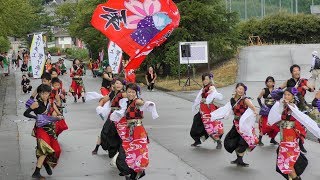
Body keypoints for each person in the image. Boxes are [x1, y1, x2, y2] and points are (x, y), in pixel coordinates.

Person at [267, 87, 320, 180]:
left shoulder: (292, 107)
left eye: (289, 95)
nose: (286, 96)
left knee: (287, 162)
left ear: (292, 97)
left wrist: (288, 104)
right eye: (285, 94)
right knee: (286, 162)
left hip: (290, 139)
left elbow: (296, 114)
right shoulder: (285, 106)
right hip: (284, 137)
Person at [114, 83, 158, 180]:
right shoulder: (128, 103)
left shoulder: (136, 101)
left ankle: (137, 172)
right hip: (129, 130)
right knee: (130, 151)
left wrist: (143, 102)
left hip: (137, 130)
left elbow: (141, 103)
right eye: (129, 92)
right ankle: (136, 173)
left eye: (133, 92)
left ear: (136, 93)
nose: (130, 94)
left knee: (138, 152)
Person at [212, 83, 259, 167]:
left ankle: (240, 160)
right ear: (236, 89)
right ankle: (238, 159)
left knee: (243, 141)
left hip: (244, 124)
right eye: (239, 89)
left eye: (242, 89)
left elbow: (252, 107)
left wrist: (255, 111)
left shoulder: (245, 99)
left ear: (244, 91)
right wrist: (216, 115)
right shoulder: (232, 100)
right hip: (236, 124)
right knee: (232, 140)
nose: (241, 91)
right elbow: (226, 109)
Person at [23, 84, 64, 178]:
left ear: (49, 93)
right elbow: (25, 113)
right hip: (41, 128)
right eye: (42, 93)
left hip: (50, 128)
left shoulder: (50, 102)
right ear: (40, 94)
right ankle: (36, 172)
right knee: (44, 149)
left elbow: (56, 110)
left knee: (57, 150)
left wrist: (59, 116)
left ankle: (45, 163)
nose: (44, 95)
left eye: (46, 93)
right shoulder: (36, 103)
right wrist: (35, 117)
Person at [280, 64, 314, 153]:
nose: (297, 72)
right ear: (291, 73)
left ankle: (300, 144)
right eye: (294, 71)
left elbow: (312, 89)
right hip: (290, 106)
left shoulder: (303, 81)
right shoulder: (288, 81)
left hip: (301, 106)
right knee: (291, 126)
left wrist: (308, 88)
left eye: (298, 70)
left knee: (303, 126)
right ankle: (288, 144)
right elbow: (279, 89)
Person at [93, 78, 126, 166]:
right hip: (112, 116)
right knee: (105, 132)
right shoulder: (112, 93)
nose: (118, 85)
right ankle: (110, 151)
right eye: (117, 83)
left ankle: (118, 156)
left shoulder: (123, 94)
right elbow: (103, 100)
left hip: (120, 117)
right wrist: (99, 107)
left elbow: (133, 97)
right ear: (113, 85)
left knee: (118, 136)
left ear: (123, 85)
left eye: (120, 83)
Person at [190, 73, 224, 149]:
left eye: (207, 79)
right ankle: (197, 140)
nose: (205, 81)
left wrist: (210, 92)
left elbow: (213, 90)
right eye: (204, 79)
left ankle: (218, 142)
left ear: (210, 79)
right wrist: (196, 105)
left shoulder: (211, 86)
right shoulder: (204, 88)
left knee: (210, 127)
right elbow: (199, 98)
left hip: (208, 110)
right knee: (196, 123)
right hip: (202, 109)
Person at [257, 76, 279, 146]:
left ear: (273, 83)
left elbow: (278, 100)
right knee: (265, 127)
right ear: (266, 83)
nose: (269, 83)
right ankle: (259, 140)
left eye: (271, 81)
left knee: (275, 127)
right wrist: (262, 106)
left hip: (273, 111)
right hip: (265, 112)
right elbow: (258, 98)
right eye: (268, 81)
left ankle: (272, 139)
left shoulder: (276, 90)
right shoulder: (264, 90)